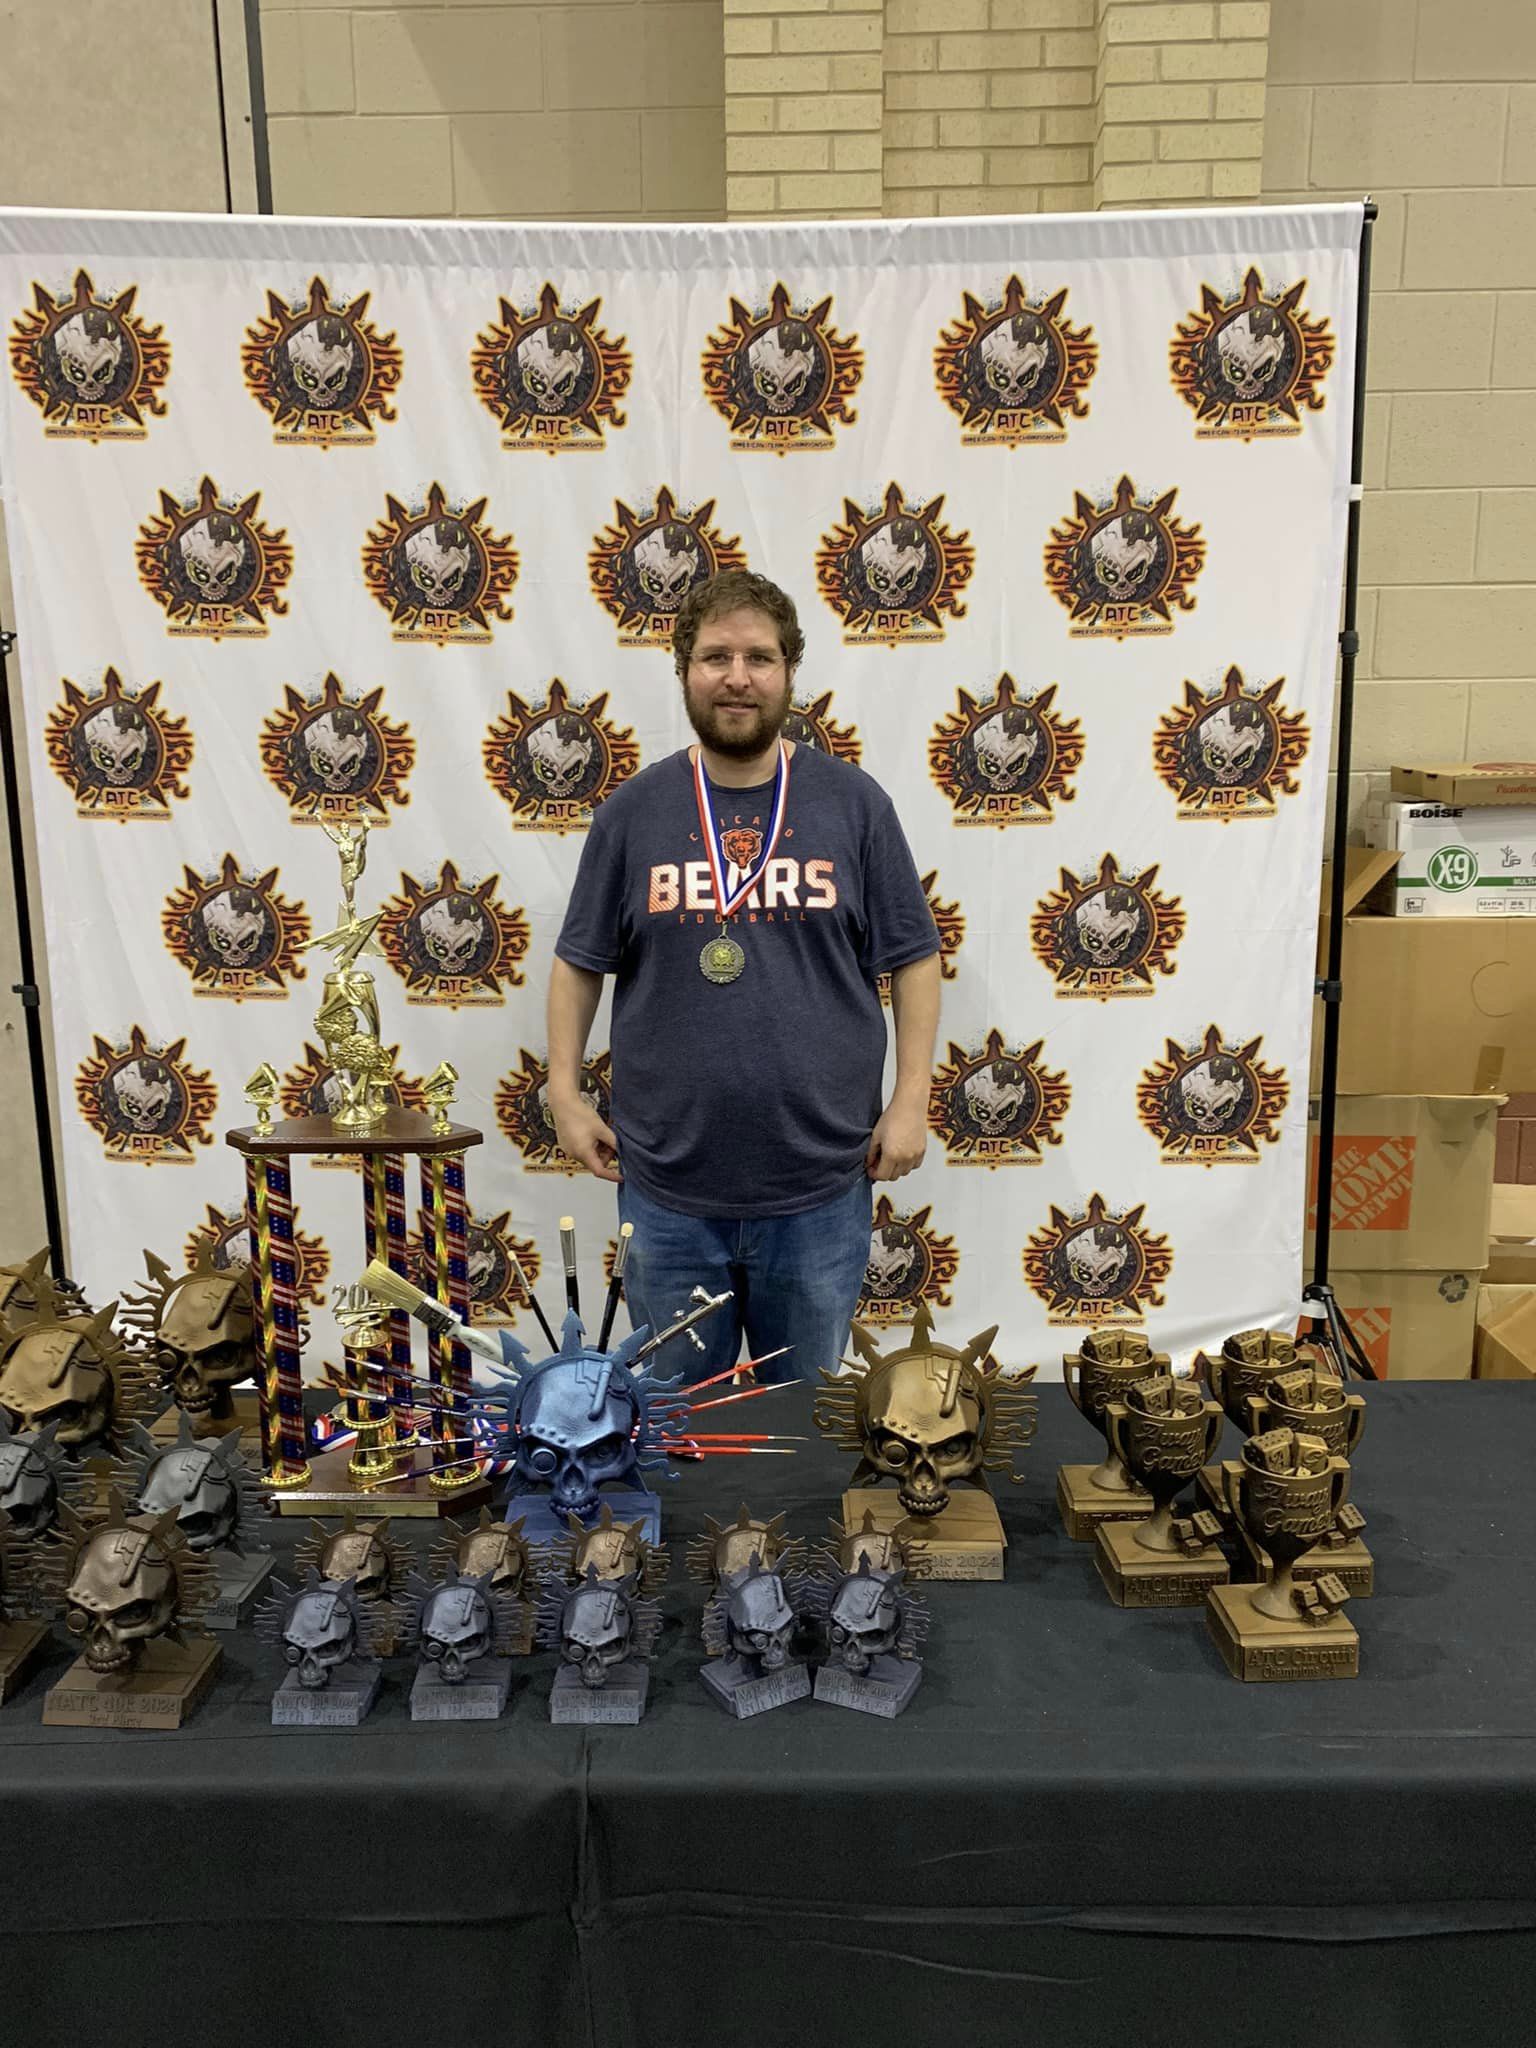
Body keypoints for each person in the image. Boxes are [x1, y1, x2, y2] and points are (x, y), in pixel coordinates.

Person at [546, 567, 941, 1384]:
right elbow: (580, 962)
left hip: (819, 1186)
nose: (737, 677)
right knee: (679, 1426)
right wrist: (563, 1091)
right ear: (684, 669)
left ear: (789, 671)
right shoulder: (634, 812)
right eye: (715, 656)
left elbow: (913, 957)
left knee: (802, 1423)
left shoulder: (853, 805)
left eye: (759, 657)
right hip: (667, 1191)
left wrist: (911, 1099)